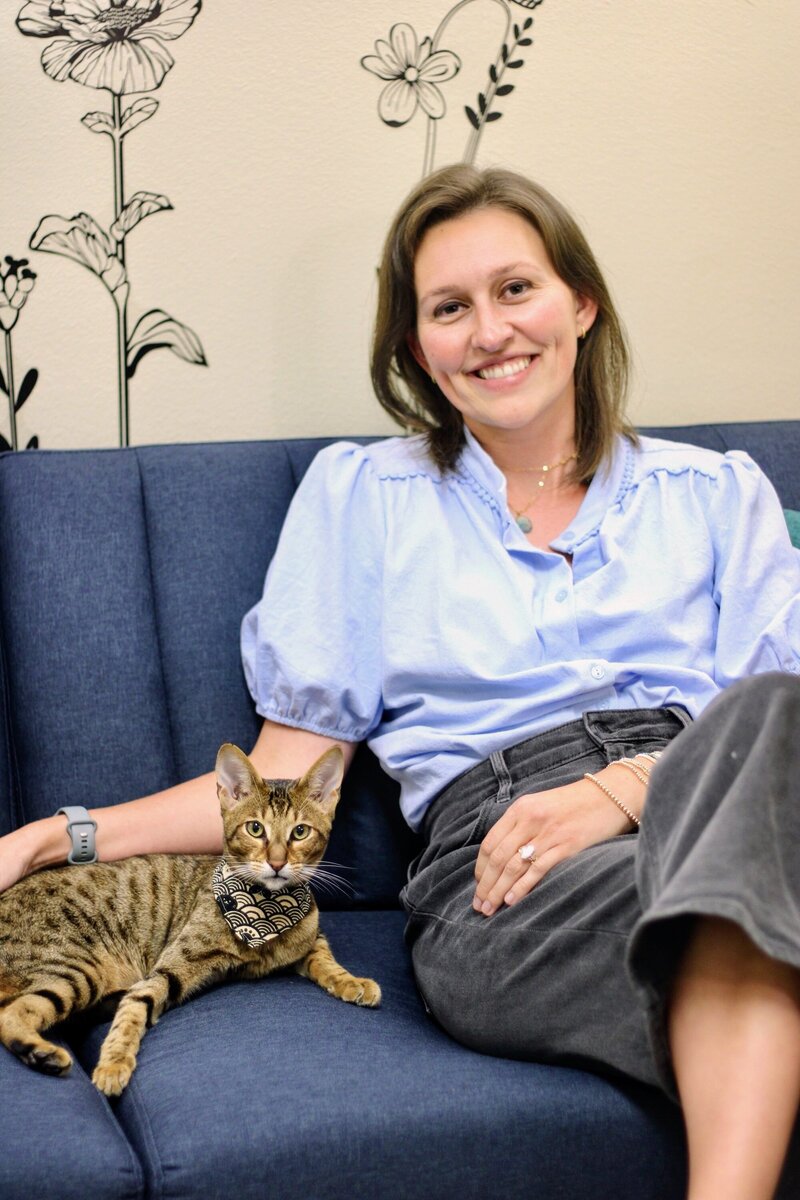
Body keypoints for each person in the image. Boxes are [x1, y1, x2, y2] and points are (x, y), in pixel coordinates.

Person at [2, 164, 800, 1200]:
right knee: (742, 898)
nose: (488, 330)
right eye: (448, 308)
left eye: (515, 289)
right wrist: (49, 836)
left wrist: (623, 790)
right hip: (508, 868)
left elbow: (771, 734)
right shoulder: (363, 496)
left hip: (721, 791)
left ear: (581, 302)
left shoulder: (715, 494)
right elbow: (281, 774)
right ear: (417, 346)